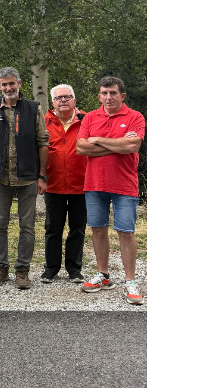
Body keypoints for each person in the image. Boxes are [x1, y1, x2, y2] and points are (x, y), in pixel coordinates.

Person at [76, 77, 145, 305]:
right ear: (99, 96)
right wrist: (116, 145)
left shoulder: (135, 117)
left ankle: (130, 282)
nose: (108, 97)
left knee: (126, 231)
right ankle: (103, 276)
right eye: (104, 93)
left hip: (124, 185)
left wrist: (97, 140)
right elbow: (80, 147)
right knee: (98, 229)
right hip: (94, 184)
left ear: (122, 96)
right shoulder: (90, 117)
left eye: (113, 93)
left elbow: (132, 146)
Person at [0, 67, 50, 290]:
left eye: (12, 84)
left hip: (28, 177)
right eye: (4, 84)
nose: (8, 88)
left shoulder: (33, 108)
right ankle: (0, 268)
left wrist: (42, 176)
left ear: (19, 83)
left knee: (27, 226)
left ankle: (22, 270)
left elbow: (43, 141)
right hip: (0, 178)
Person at [40, 84, 87, 284]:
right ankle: (51, 269)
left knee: (78, 228)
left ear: (74, 100)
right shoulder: (44, 122)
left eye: (67, 97)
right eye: (59, 98)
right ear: (53, 103)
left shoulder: (87, 120)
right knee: (53, 228)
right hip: (54, 184)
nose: (63, 100)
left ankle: (74, 269)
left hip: (82, 184)